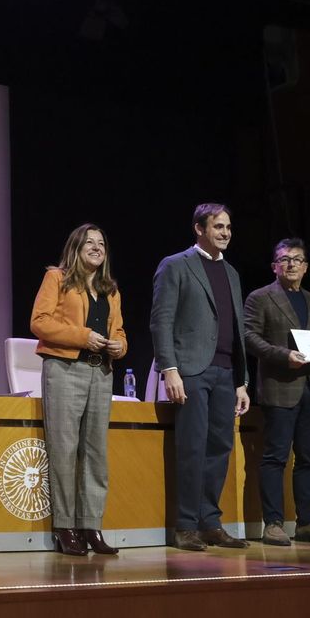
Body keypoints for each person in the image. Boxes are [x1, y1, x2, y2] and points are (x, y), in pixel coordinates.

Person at [150, 203, 252, 551]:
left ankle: (211, 522)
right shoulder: (176, 265)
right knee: (192, 448)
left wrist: (242, 380)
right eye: (218, 226)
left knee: (220, 448)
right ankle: (186, 526)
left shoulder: (233, 274)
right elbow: (161, 320)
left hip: (226, 371)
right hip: (192, 369)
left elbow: (237, 330)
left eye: (228, 227)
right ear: (199, 228)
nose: (225, 233)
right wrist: (170, 369)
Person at [30, 223, 127, 556]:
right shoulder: (56, 278)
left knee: (96, 454)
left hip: (101, 373)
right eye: (90, 242)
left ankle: (91, 527)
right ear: (76, 246)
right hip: (65, 369)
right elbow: (39, 321)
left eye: (102, 243)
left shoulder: (110, 289)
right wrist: (82, 336)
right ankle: (65, 527)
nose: (97, 247)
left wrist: (120, 346)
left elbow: (121, 331)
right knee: (65, 449)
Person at [242, 239, 310, 545]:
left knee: (309, 458)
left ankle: (307, 522)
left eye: (297, 260)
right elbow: (248, 337)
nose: (291, 264)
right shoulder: (260, 297)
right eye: (284, 259)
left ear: (306, 267)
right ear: (275, 266)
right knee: (275, 457)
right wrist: (282, 355)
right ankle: (272, 523)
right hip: (279, 387)